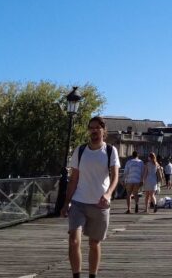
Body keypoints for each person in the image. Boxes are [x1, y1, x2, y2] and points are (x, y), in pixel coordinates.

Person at [61, 116, 120, 278]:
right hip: (79, 202)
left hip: (100, 204)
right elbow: (74, 179)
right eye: (91, 128)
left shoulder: (109, 151)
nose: (93, 130)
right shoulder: (80, 151)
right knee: (74, 240)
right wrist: (66, 203)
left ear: (103, 130)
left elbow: (115, 177)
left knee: (94, 243)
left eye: (97, 128)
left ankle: (92, 275)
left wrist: (108, 194)